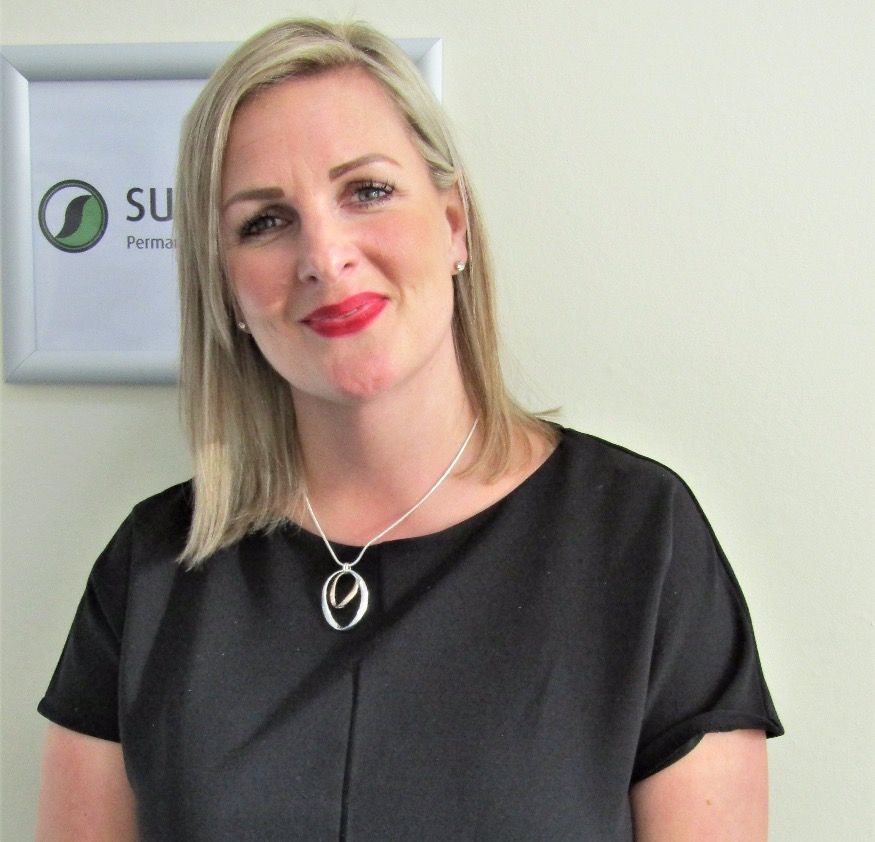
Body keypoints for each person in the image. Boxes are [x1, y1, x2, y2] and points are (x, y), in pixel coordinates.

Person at [34, 18, 782, 841]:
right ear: (226, 289)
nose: (324, 255)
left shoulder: (639, 538)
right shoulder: (150, 572)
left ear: (454, 225)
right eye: (264, 221)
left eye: (366, 191)